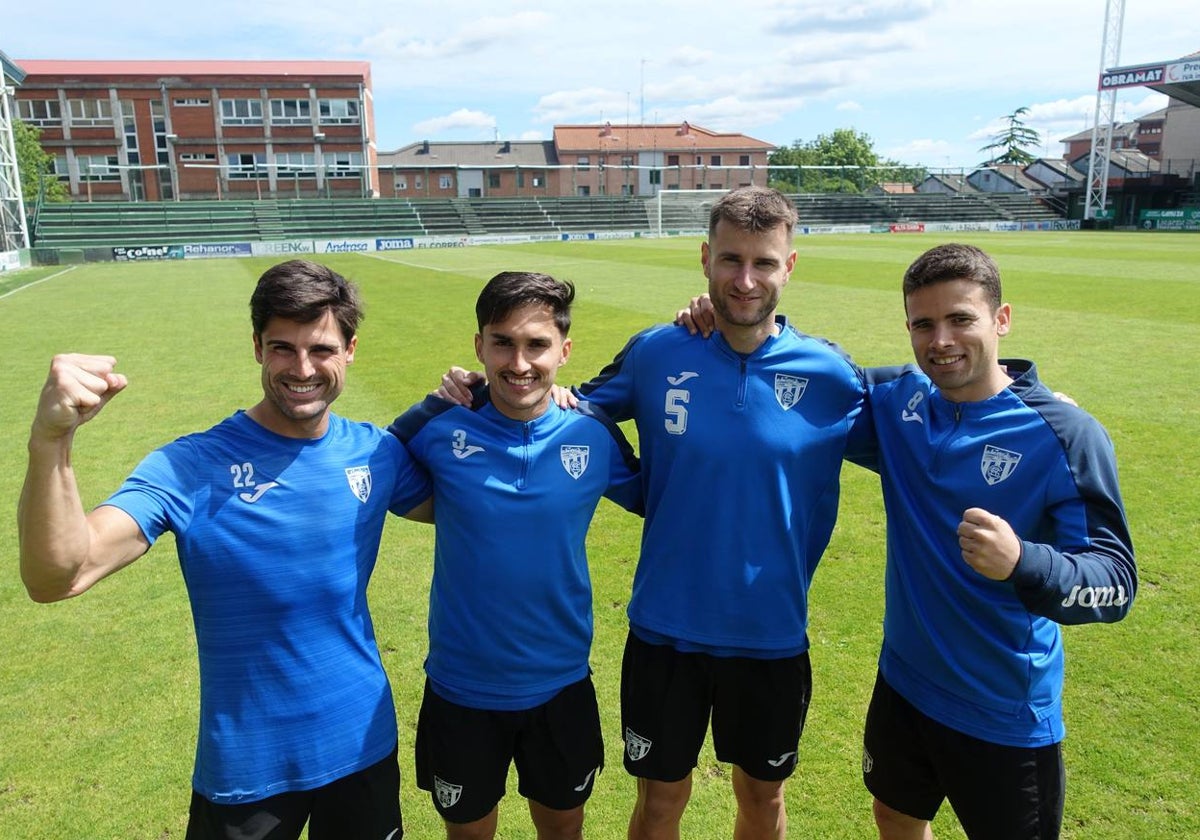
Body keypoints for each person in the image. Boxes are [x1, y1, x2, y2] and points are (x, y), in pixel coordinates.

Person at [440, 187, 869, 839]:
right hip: (665, 631)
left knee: (763, 802)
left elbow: (933, 411)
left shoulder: (831, 374)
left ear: (791, 266)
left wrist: (1031, 394)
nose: (745, 279)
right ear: (704, 259)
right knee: (661, 803)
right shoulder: (658, 353)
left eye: (763, 262)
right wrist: (471, 392)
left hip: (771, 635)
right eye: (730, 260)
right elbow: (559, 406)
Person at [18, 259, 432, 840]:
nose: (303, 369)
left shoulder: (376, 453)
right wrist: (51, 441)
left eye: (321, 349)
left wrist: (538, 400)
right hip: (247, 768)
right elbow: (58, 576)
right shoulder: (189, 466)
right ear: (258, 348)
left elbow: (483, 505)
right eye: (283, 348)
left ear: (350, 350)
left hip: (361, 742)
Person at [854, 243, 1136, 839]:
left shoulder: (1065, 435)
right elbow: (807, 370)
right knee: (894, 817)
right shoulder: (897, 404)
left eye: (961, 319)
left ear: (1001, 320)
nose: (941, 341)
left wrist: (1023, 562)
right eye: (923, 324)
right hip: (903, 683)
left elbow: (1116, 584)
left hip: (1003, 712)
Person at [387, 271, 643, 840]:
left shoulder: (592, 434)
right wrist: (430, 401)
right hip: (461, 687)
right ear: (478, 346)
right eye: (502, 342)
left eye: (537, 345)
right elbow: (369, 465)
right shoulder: (439, 426)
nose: (519, 362)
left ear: (564, 351)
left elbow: (662, 498)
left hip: (560, 684)